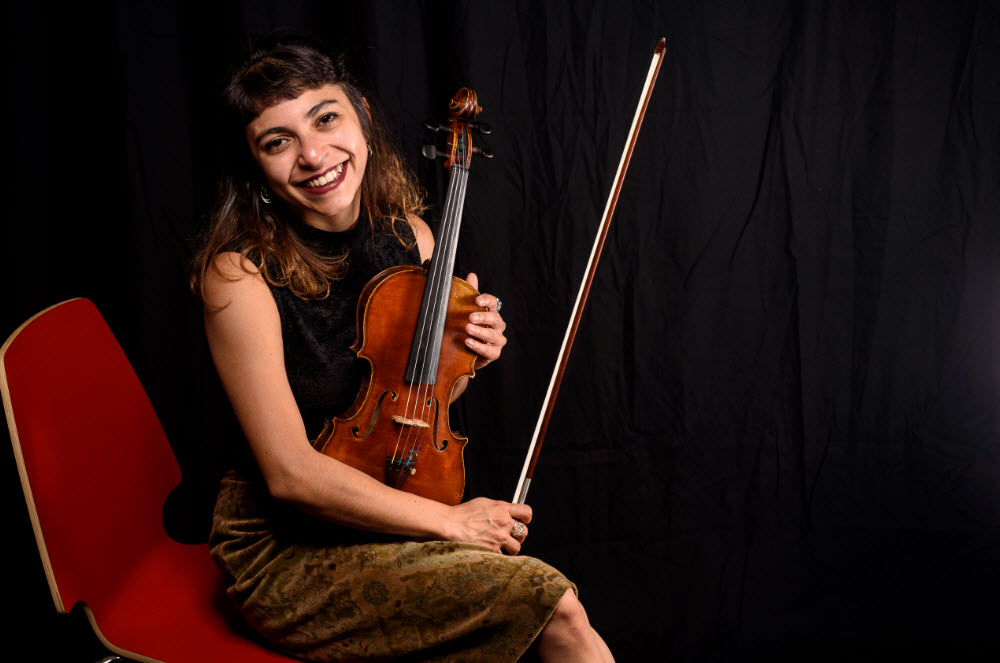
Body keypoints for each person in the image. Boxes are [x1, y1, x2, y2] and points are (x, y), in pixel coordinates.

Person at [190, 38, 613, 662]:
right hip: (285, 547)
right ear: (255, 165)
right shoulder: (238, 277)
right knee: (555, 606)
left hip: (387, 497)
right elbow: (289, 474)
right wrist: (453, 523)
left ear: (360, 114)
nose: (313, 154)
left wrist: (466, 355)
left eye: (325, 117)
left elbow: (416, 401)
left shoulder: (410, 235)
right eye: (277, 141)